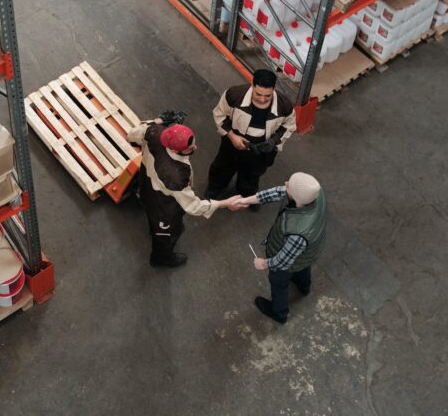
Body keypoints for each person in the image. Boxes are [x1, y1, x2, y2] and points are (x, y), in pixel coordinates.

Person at [128, 117, 241, 268]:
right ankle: (161, 259)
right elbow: (193, 206)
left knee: (150, 212)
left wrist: (158, 119)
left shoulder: (154, 131)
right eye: (190, 148)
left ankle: (153, 229)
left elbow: (132, 134)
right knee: (167, 235)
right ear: (174, 150)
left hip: (147, 187)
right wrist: (224, 203)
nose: (195, 147)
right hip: (164, 206)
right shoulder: (175, 176)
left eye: (193, 142)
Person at [235, 172, 327, 324]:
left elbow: (283, 261)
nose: (285, 183)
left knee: (279, 282)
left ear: (296, 198)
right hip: (309, 253)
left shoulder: (298, 234)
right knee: (302, 268)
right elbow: (278, 192)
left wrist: (264, 263)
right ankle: (304, 288)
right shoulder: (315, 193)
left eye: (289, 186)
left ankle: (279, 313)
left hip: (290, 259)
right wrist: (245, 200)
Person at [205, 69, 297, 209]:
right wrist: (232, 136)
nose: (262, 99)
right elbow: (220, 115)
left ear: (273, 88)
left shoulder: (284, 106)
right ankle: (214, 190)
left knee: (251, 176)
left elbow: (288, 126)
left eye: (267, 95)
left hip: (260, 151)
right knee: (222, 168)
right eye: (258, 94)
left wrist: (273, 141)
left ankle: (247, 197)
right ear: (252, 85)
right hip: (232, 145)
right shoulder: (234, 95)